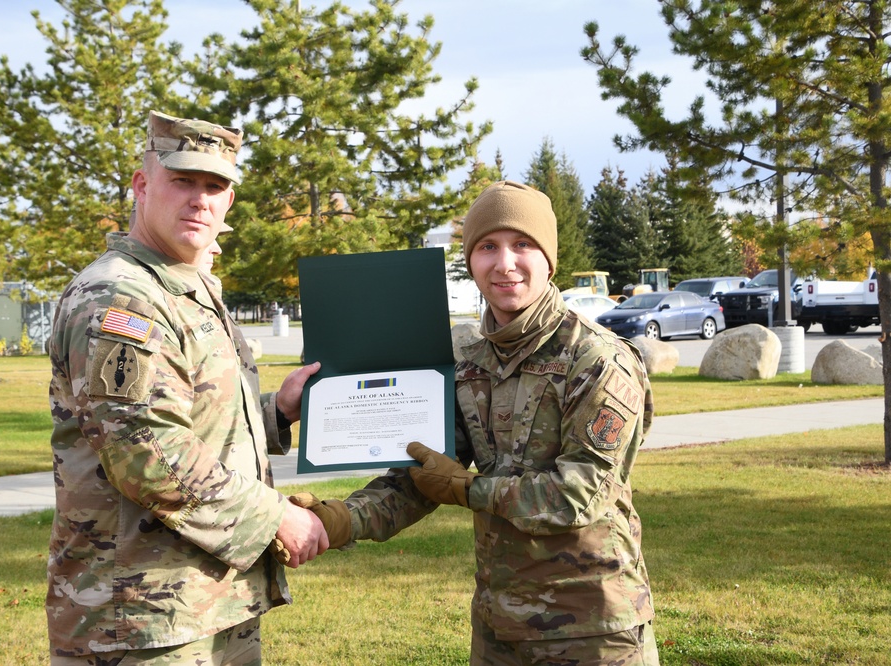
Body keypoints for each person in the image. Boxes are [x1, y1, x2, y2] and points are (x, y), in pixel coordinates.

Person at [297, 180, 659, 665]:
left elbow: (581, 493)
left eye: (522, 245)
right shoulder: (468, 362)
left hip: (594, 628)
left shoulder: (597, 359)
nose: (504, 263)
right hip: (497, 627)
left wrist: (468, 490)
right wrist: (338, 520)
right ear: (470, 261)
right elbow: (422, 476)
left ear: (549, 260)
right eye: (487, 246)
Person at [46, 110, 327, 665]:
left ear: (228, 202)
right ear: (142, 184)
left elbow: (186, 417)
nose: (200, 199)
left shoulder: (184, 287)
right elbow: (148, 453)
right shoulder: (121, 298)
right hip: (139, 619)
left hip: (205, 604)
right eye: (184, 181)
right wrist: (275, 517)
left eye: (215, 186)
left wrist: (278, 412)